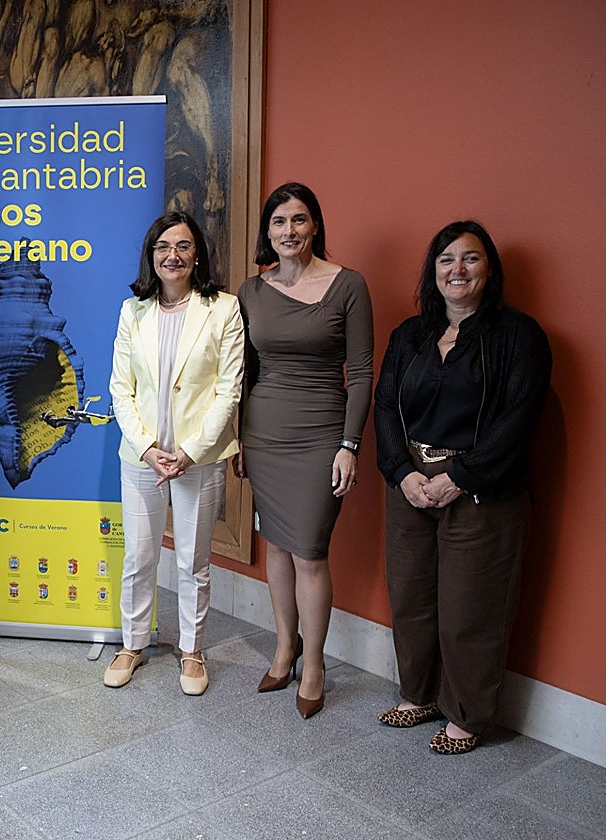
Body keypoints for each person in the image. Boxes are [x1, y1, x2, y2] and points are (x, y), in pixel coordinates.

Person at [374, 221, 551, 755]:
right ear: (433, 271)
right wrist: (401, 472)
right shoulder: (409, 335)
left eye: (470, 258)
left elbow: (519, 419)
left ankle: (467, 716)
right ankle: (419, 695)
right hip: (410, 485)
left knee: (470, 609)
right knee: (411, 599)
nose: (458, 269)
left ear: (489, 269)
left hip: (480, 490)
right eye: (446, 259)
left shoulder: (519, 336)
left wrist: (460, 478)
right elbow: (385, 406)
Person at [234, 182, 373, 718]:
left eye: (298, 219)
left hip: (322, 435)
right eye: (278, 222)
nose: (288, 231)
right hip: (264, 434)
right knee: (276, 545)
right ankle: (283, 648)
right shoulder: (252, 290)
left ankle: (313, 664)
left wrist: (349, 444)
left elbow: (361, 374)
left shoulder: (348, 285)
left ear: (315, 225)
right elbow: (244, 373)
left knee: (310, 553)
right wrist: (238, 439)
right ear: (267, 232)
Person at [104, 212, 245, 695]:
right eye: (163, 247)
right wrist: (147, 448)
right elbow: (120, 390)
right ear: (151, 255)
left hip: (197, 459)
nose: (173, 255)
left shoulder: (223, 309)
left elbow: (228, 390)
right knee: (139, 558)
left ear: (197, 253)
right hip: (141, 458)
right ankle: (132, 644)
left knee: (192, 562)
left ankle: (192, 650)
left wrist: (188, 451)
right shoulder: (133, 311)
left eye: (183, 246)